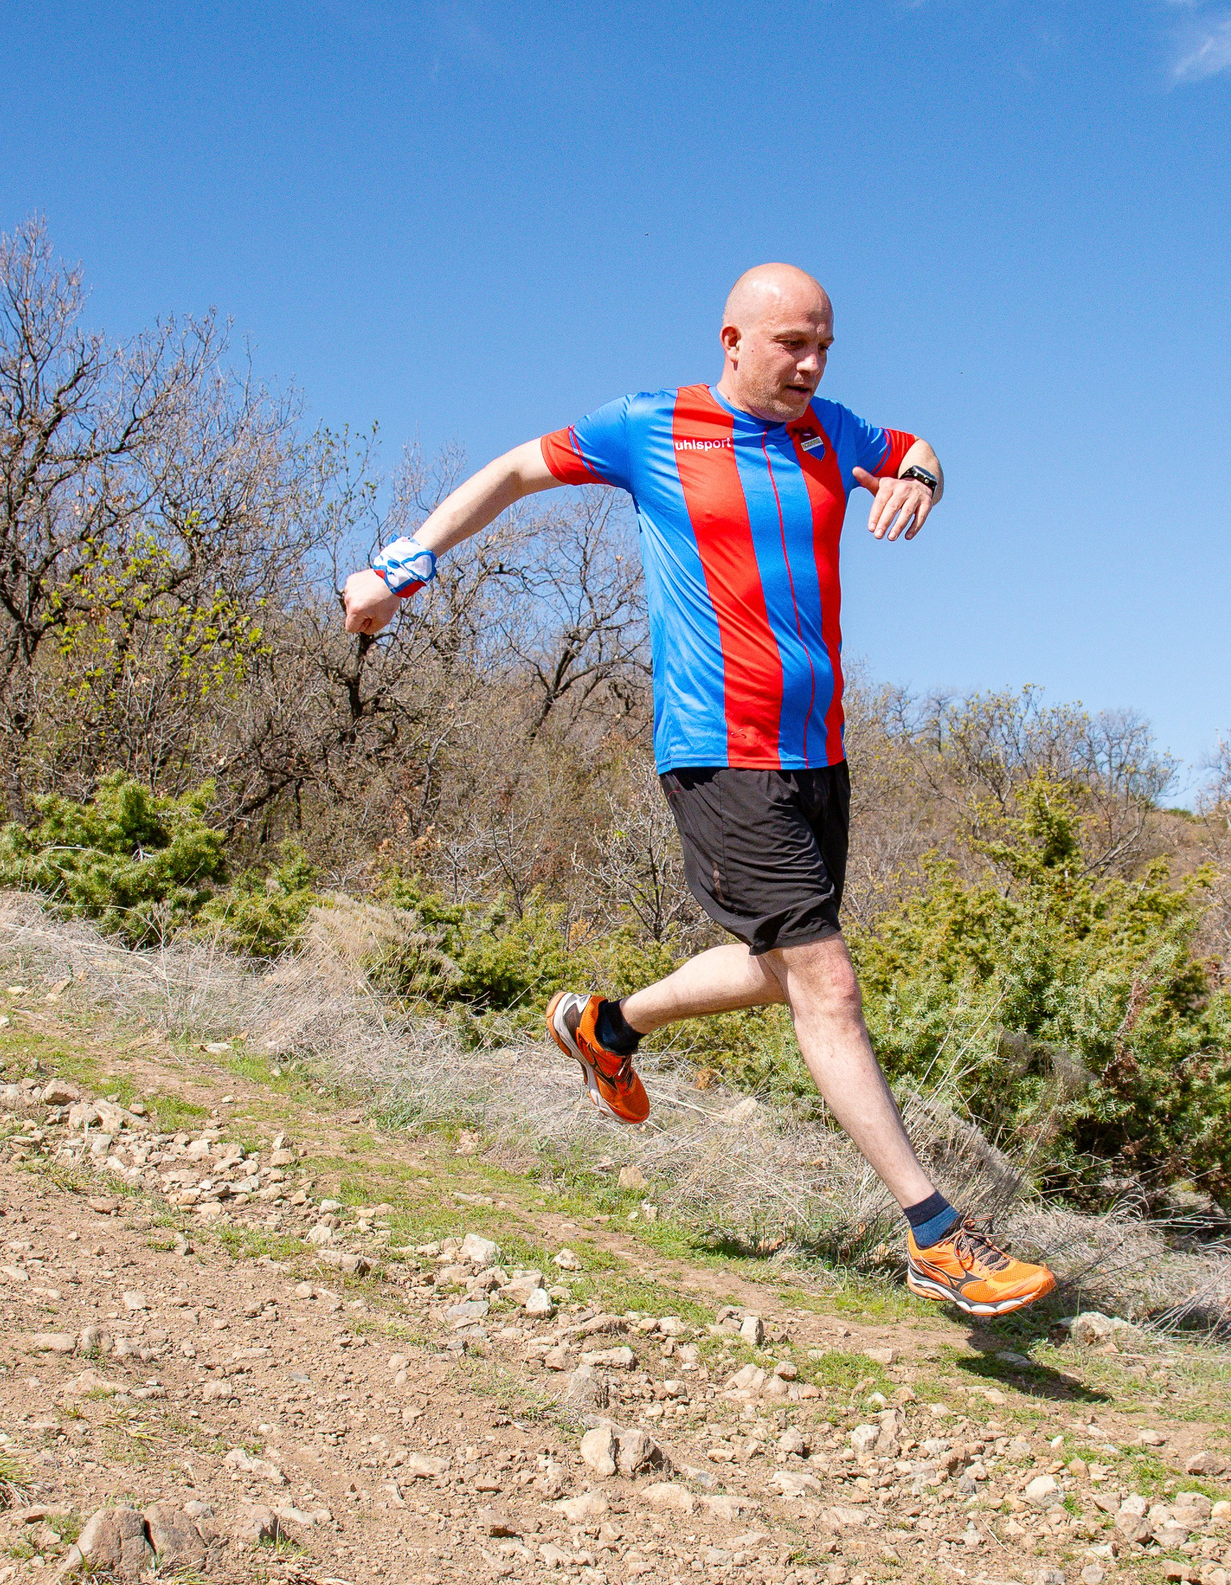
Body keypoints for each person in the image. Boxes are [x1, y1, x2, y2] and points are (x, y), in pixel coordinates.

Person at [342, 264, 1058, 1319]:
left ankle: (607, 1026)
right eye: (791, 345)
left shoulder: (831, 430)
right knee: (828, 984)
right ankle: (937, 1235)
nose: (810, 366)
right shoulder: (651, 426)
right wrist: (401, 565)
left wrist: (921, 476)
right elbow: (514, 471)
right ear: (732, 340)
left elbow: (916, 448)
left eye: (824, 347)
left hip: (818, 753)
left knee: (783, 972)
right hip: (720, 747)